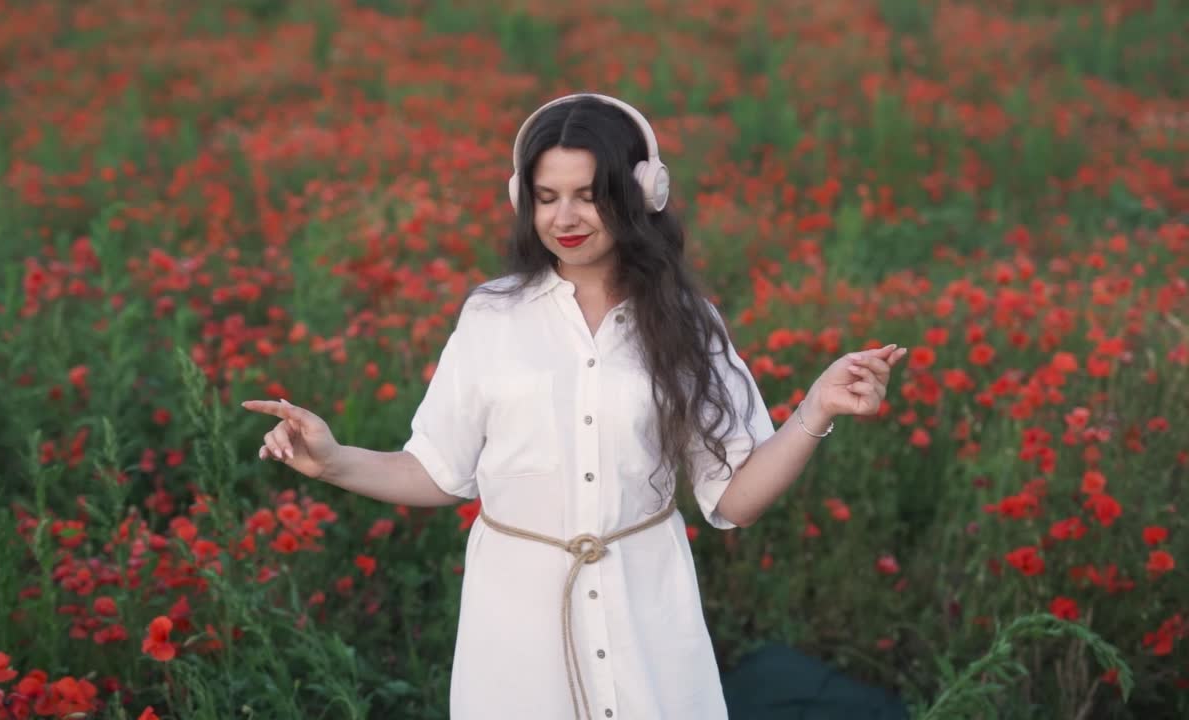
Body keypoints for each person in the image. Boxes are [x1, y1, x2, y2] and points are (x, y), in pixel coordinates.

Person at [243, 92, 907, 720]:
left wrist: (816, 409)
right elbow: (437, 472)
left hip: (647, 615)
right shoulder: (492, 317)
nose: (564, 219)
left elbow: (734, 499)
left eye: (589, 197)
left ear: (641, 194)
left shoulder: (688, 323)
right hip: (516, 626)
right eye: (546, 197)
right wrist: (332, 460)